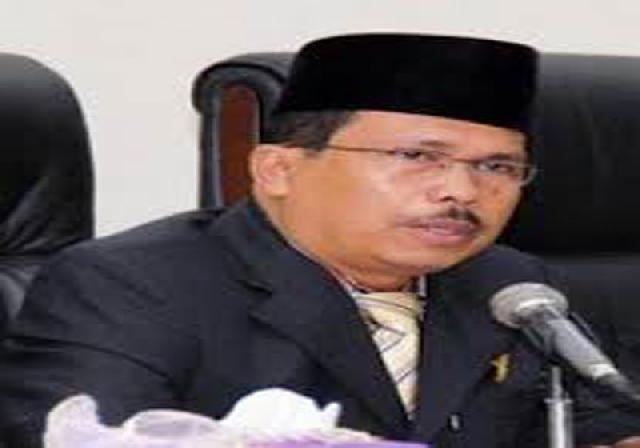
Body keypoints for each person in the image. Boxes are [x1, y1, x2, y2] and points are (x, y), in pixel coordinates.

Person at [0, 33, 638, 448]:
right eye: (418, 156)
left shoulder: (511, 287)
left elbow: (603, 427)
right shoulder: (130, 285)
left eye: (497, 167)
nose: (463, 191)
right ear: (277, 170)